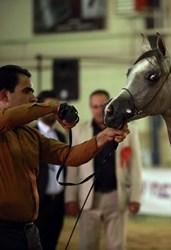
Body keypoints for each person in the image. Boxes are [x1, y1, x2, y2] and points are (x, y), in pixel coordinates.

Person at [0, 65, 129, 250]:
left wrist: (103, 137)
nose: (33, 98)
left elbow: (69, 156)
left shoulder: (30, 135)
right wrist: (53, 106)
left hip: (29, 231)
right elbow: (8, 118)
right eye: (27, 91)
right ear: (4, 96)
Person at [65, 89, 142, 250]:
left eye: (102, 106)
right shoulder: (78, 131)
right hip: (88, 197)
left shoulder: (130, 131)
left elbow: (135, 166)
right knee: (87, 245)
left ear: (110, 106)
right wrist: (70, 198)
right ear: (89, 107)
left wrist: (135, 197)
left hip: (116, 196)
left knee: (117, 246)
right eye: (94, 106)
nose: (98, 110)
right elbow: (72, 166)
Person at [34, 90, 66, 250]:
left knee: (52, 242)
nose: (53, 111)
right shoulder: (30, 134)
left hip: (58, 201)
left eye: (56, 107)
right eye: (49, 106)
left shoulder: (61, 135)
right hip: (39, 202)